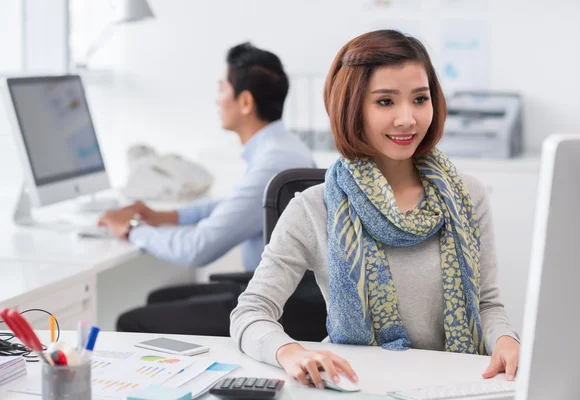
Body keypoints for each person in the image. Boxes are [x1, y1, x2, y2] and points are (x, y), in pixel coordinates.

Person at [230, 30, 520, 390]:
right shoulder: (313, 207)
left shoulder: (467, 196)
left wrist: (506, 340)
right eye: (385, 102)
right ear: (351, 107)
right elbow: (250, 312)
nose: (407, 119)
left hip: (454, 384)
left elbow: (488, 305)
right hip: (359, 384)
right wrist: (290, 352)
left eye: (419, 99)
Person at [100, 42, 315, 335]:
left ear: (246, 102)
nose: (217, 100)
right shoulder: (283, 148)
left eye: (222, 89)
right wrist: (168, 217)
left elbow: (197, 249)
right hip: (283, 292)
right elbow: (239, 205)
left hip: (276, 305)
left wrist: (131, 229)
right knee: (159, 299)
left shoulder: (274, 161)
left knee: (133, 321)